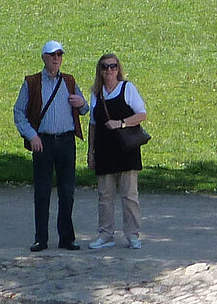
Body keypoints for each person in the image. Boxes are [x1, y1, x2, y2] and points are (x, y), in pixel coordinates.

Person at [12, 40, 88, 253]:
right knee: (42, 191)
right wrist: (32, 136)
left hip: (66, 141)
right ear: (44, 58)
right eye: (52, 55)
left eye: (59, 55)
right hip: (43, 142)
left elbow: (85, 109)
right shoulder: (32, 82)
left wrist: (81, 104)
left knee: (67, 192)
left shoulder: (70, 81)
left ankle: (66, 238)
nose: (56, 59)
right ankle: (41, 238)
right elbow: (19, 112)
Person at [86, 53, 148, 250]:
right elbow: (93, 125)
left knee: (129, 195)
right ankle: (105, 234)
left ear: (118, 69)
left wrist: (121, 123)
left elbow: (141, 114)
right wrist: (90, 152)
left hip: (125, 150)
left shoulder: (127, 88)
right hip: (104, 151)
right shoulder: (97, 94)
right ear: (100, 71)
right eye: (105, 67)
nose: (109, 71)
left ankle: (132, 235)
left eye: (113, 67)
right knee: (105, 196)